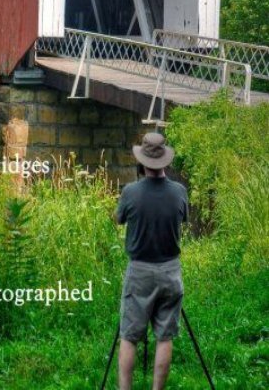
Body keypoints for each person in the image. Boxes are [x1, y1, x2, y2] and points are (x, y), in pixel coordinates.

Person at [115, 132, 189, 390]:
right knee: (164, 336)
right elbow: (183, 219)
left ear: (142, 161)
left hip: (140, 271)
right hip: (170, 270)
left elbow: (119, 219)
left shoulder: (130, 192)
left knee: (129, 336)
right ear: (165, 162)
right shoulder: (179, 192)